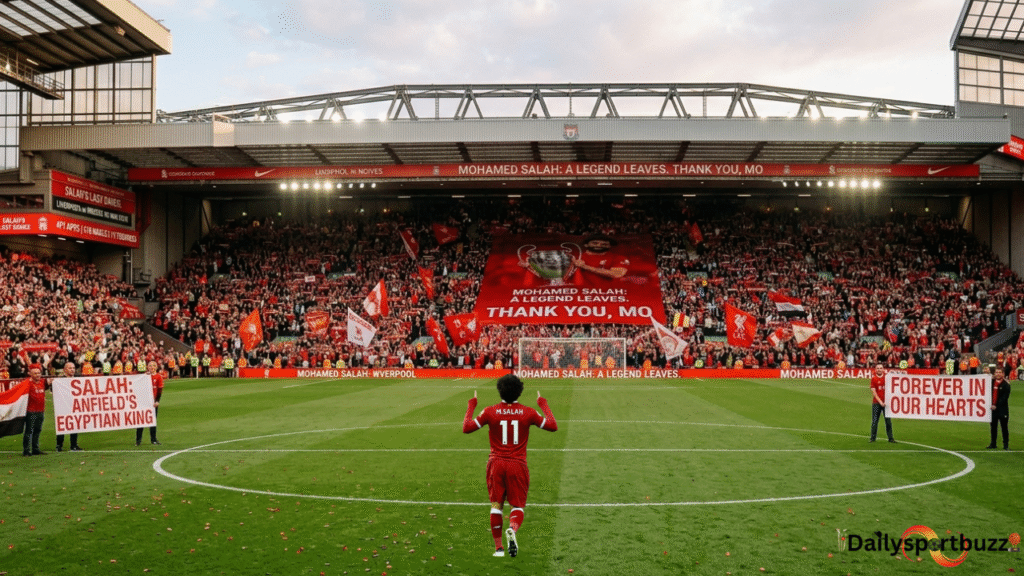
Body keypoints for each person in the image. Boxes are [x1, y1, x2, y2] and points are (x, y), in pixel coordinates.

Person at [462, 374, 558, 558]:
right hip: (517, 465)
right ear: (520, 392)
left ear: (499, 390)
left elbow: (466, 427)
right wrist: (543, 403)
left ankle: (498, 549)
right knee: (517, 506)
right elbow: (553, 425)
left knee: (496, 505)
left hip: (496, 464)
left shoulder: (490, 411)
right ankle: (512, 529)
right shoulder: (528, 412)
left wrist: (471, 405)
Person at [55, 361, 83, 452]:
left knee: (74, 425)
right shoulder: (59, 380)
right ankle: (59, 445)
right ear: (64, 369)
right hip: (63, 406)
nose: (72, 370)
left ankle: (74, 445)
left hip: (75, 406)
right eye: (70, 368)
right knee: (62, 426)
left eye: (73, 368)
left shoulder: (79, 379)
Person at [136, 361, 164, 446]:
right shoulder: (144, 376)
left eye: (153, 366)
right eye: (150, 366)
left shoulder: (159, 376)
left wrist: (157, 401)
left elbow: (159, 390)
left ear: (156, 367)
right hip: (143, 402)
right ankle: (138, 440)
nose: (152, 367)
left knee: (152, 422)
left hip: (153, 403)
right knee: (141, 421)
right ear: (147, 367)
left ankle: (153, 439)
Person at [21, 363, 47, 456]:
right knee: (29, 431)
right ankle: (26, 450)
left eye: (39, 373)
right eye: (35, 373)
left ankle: (35, 448)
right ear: (30, 374)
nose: (38, 375)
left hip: (40, 410)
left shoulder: (42, 382)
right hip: (31, 411)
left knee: (37, 430)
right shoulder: (27, 383)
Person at [869, 363, 896, 443]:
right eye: (878, 368)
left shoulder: (887, 378)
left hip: (886, 404)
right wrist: (881, 402)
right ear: (875, 369)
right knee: (875, 421)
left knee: (888, 421)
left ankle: (891, 438)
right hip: (876, 403)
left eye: (881, 368)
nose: (879, 369)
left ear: (883, 369)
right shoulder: (874, 379)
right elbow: (874, 393)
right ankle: (872, 438)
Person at [987, 366, 1011, 450]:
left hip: (1002, 409)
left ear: (1003, 374)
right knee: (993, 427)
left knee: (1004, 427)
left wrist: (995, 405)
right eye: (996, 372)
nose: (998, 374)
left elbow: (1004, 398)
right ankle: (993, 443)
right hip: (993, 410)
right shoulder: (991, 382)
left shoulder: (1006, 385)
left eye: (999, 372)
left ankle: (1006, 445)